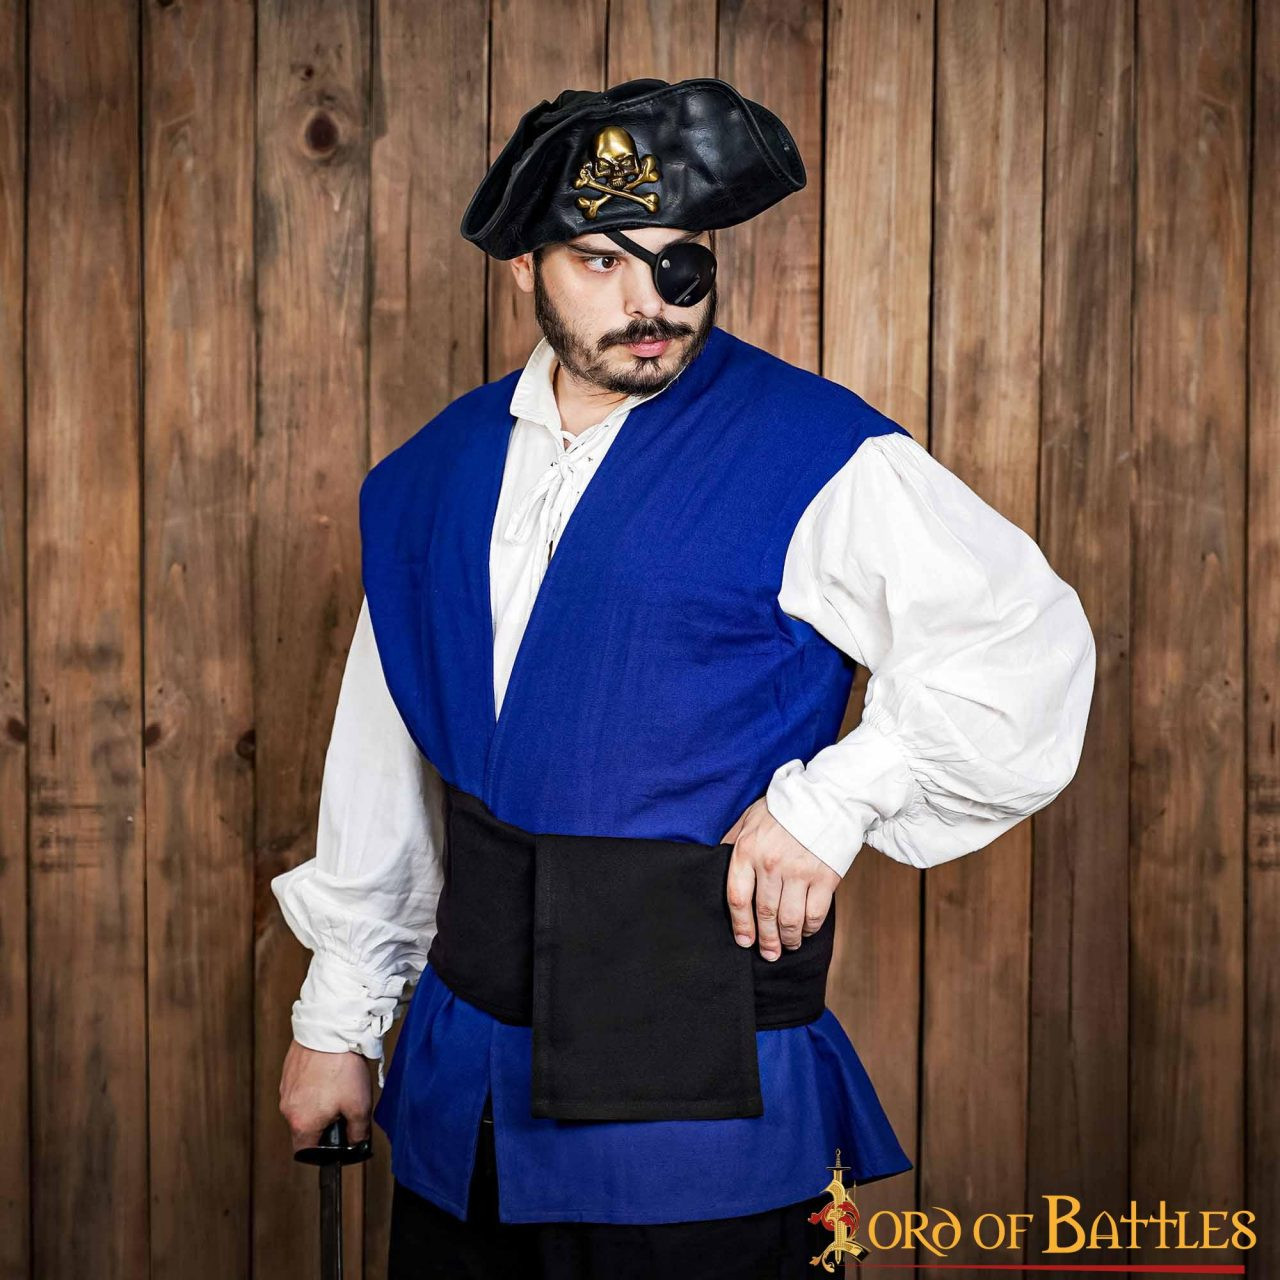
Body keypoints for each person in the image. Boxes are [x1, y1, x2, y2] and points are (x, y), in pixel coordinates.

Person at [274, 76, 1096, 1278]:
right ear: (523, 264)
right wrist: (338, 1018)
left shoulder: (816, 449)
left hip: (700, 1121)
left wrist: (833, 799)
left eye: (676, 264)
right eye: (600, 261)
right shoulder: (424, 477)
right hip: (466, 1099)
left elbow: (1022, 643)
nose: (646, 303)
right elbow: (386, 757)